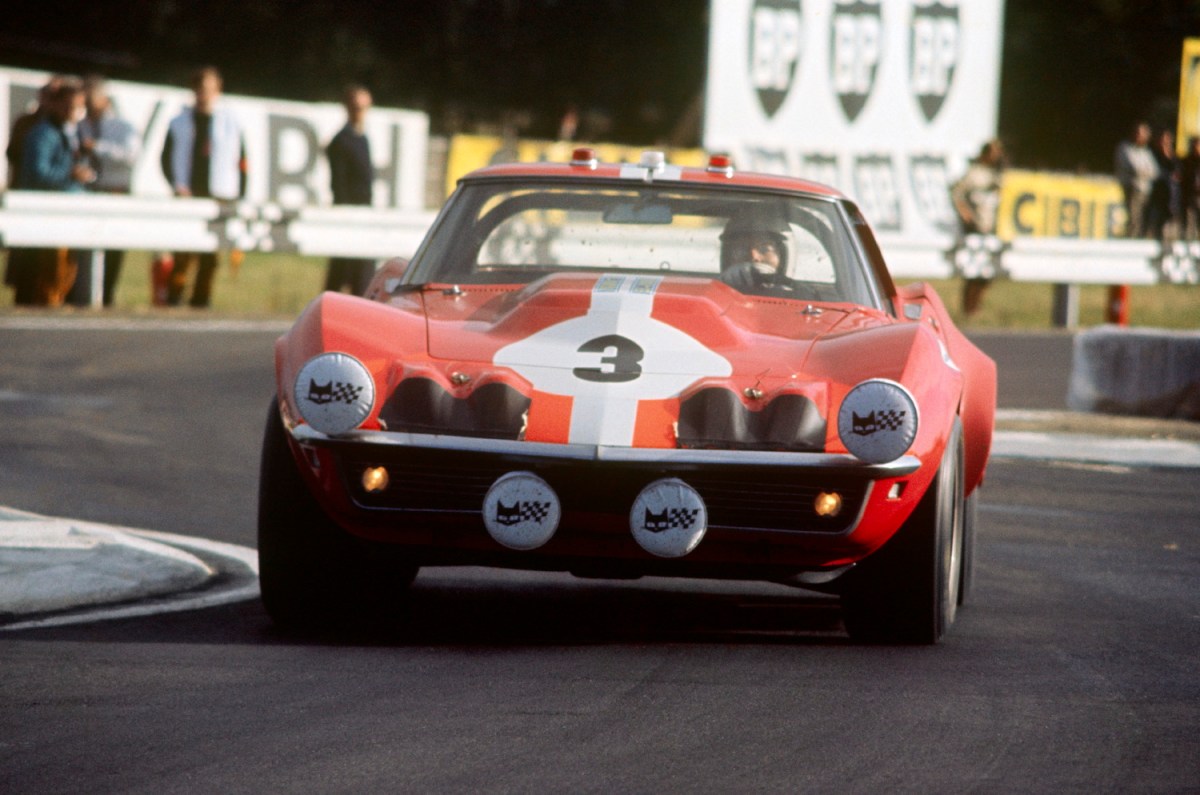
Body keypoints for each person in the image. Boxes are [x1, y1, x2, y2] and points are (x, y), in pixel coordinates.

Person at [160, 66, 246, 308]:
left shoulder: (230, 123)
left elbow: (242, 160)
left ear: (217, 91)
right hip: (189, 193)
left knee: (211, 255)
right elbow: (166, 157)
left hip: (219, 195)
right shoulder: (179, 122)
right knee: (183, 251)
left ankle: (201, 299)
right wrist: (177, 185)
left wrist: (238, 193)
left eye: (209, 90)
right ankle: (174, 296)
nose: (204, 94)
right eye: (200, 89)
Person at [16, 78, 96, 306]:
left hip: (69, 209)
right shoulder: (43, 134)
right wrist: (70, 174)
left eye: (80, 106)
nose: (75, 111)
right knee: (49, 267)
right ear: (58, 105)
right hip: (46, 212)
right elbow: (37, 174)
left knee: (67, 266)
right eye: (70, 106)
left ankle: (56, 301)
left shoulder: (75, 132)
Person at [71, 75, 140, 307]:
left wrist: (97, 148)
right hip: (88, 190)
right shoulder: (80, 125)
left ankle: (107, 293)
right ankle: (82, 294)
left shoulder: (122, 126)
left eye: (91, 99)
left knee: (113, 248)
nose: (88, 105)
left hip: (114, 190)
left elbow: (130, 155)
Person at [4, 75, 66, 304]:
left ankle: (48, 298)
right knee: (25, 257)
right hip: (27, 191)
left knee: (52, 259)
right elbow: (13, 154)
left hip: (54, 198)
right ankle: (24, 298)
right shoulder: (29, 123)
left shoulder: (61, 124)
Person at [324, 84, 376, 295]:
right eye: (356, 107)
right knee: (340, 273)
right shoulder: (340, 141)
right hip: (348, 215)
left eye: (363, 108)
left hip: (364, 214)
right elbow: (339, 184)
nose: (359, 113)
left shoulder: (363, 138)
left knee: (362, 277)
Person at [950, 138, 1005, 315]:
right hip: (976, 228)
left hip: (991, 228)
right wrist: (965, 213)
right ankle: (968, 308)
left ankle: (976, 307)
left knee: (989, 272)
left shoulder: (997, 175)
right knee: (974, 271)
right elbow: (956, 193)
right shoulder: (974, 173)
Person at [718, 204, 793, 295]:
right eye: (741, 249)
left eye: (765, 249)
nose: (753, 256)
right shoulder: (712, 296)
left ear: (783, 255)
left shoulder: (802, 298)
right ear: (727, 256)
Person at [1114, 122, 1159, 239]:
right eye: (1140, 134)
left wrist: (1144, 172)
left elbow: (1155, 171)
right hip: (1132, 187)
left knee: (1144, 217)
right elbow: (1134, 168)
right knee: (1134, 216)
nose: (1142, 137)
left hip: (1145, 189)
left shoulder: (1145, 151)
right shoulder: (1124, 148)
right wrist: (1145, 172)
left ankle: (1140, 237)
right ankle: (1131, 239)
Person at [1145, 128, 1178, 243]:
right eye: (1162, 140)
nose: (1165, 143)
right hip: (1155, 195)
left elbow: (1177, 173)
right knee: (1154, 222)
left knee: (1169, 224)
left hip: (1171, 198)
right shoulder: (1151, 154)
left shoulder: (1174, 157)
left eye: (1167, 141)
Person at [1181, 137, 1200, 241]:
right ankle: (1188, 241)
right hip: (1189, 197)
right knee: (1189, 221)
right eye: (1195, 145)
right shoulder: (1186, 162)